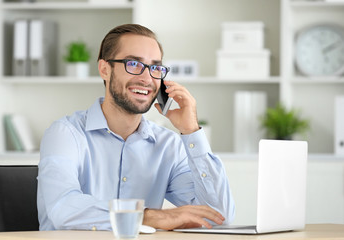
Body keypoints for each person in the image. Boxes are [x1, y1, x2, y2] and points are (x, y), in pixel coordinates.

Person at [37, 23, 235, 231]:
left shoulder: (167, 146)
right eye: (133, 64)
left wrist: (191, 131)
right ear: (105, 69)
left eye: (155, 68)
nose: (147, 78)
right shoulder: (65, 134)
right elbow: (63, 208)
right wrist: (149, 217)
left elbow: (218, 216)